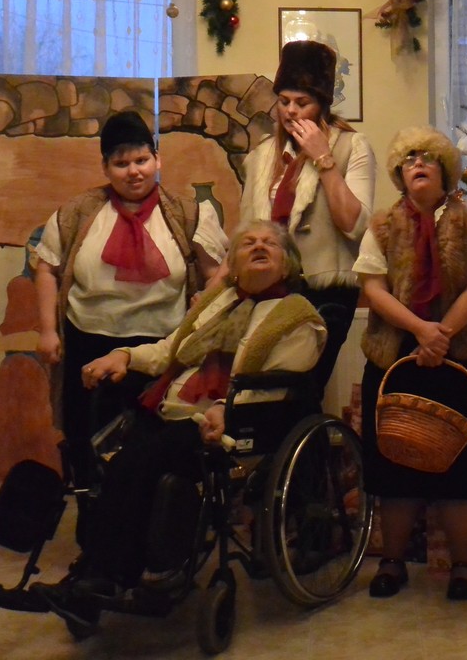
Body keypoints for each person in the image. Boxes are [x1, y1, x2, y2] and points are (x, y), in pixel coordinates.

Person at [32, 220, 326, 631]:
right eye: (248, 243)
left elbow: (279, 386)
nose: (259, 247)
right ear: (233, 263)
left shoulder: (299, 317)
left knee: (137, 461)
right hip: (171, 412)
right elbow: (171, 350)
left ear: (288, 264)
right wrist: (125, 356)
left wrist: (226, 409)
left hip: (233, 426)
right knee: (110, 459)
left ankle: (106, 576)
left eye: (270, 244)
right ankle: (101, 572)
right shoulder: (218, 301)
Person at [35, 111, 226, 498]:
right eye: (121, 164)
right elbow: (46, 268)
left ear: (157, 159)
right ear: (105, 168)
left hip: (161, 347)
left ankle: (152, 526)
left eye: (142, 160)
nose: (134, 172)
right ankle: (93, 525)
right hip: (89, 340)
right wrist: (48, 330)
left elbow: (216, 272)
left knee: (148, 444)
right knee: (86, 440)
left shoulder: (187, 213)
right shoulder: (77, 213)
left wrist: (203, 304)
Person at [355, 126, 467, 602]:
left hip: (462, 359)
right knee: (393, 464)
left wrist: (442, 335)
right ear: (400, 173)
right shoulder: (381, 225)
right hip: (395, 358)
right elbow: (372, 287)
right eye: (410, 158)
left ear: (445, 170)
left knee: (462, 468)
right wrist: (420, 330)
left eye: (428, 157)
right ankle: (392, 562)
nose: (418, 163)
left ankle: (463, 565)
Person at [240, 39, 376, 396]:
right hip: (269, 290)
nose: (290, 111)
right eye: (284, 101)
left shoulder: (352, 146)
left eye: (302, 103)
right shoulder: (262, 156)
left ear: (322, 106)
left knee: (302, 392)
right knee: (263, 393)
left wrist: (323, 159)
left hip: (325, 294)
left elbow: (354, 226)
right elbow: (246, 232)